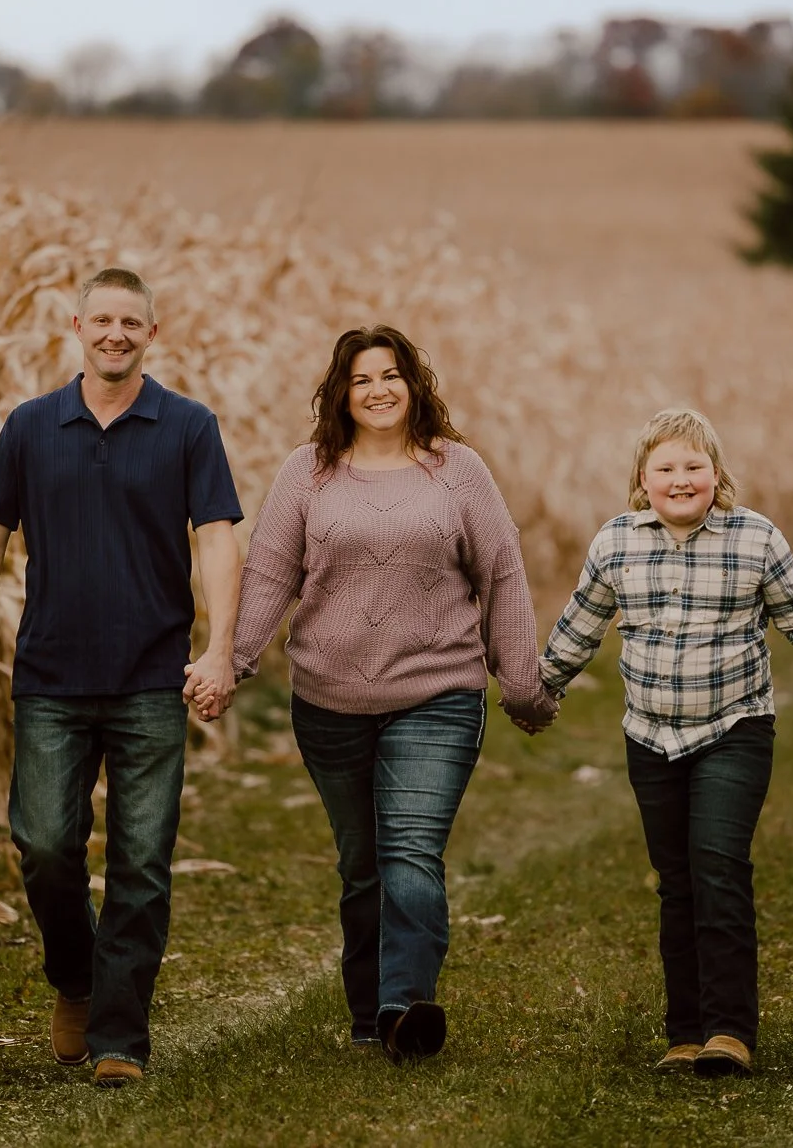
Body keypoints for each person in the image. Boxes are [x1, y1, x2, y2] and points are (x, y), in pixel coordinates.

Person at [0, 267, 244, 1086]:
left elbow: (216, 536)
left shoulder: (187, 425)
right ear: (76, 326)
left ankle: (118, 1036)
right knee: (44, 846)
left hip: (151, 677)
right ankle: (75, 977)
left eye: (129, 322)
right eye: (100, 319)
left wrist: (219, 649)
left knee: (142, 861)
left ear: (153, 331)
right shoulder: (32, 426)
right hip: (51, 677)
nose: (115, 333)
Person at [530, 408, 793, 1078]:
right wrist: (536, 691)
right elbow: (579, 626)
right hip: (651, 736)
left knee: (718, 866)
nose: (680, 479)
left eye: (694, 466)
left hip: (735, 727)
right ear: (642, 479)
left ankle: (730, 1029)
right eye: (666, 467)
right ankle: (684, 1030)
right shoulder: (615, 544)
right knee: (677, 883)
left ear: (717, 474)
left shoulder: (754, 539)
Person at [228, 325, 540, 1063]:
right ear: (340, 391)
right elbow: (271, 574)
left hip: (437, 692)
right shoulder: (306, 472)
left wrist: (521, 683)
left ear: (414, 384)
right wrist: (231, 661)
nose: (379, 389)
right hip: (329, 701)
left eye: (392, 374)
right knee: (361, 861)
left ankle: (404, 1004)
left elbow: (502, 573)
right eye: (362, 378)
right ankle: (369, 1008)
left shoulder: (457, 470)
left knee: (411, 853)